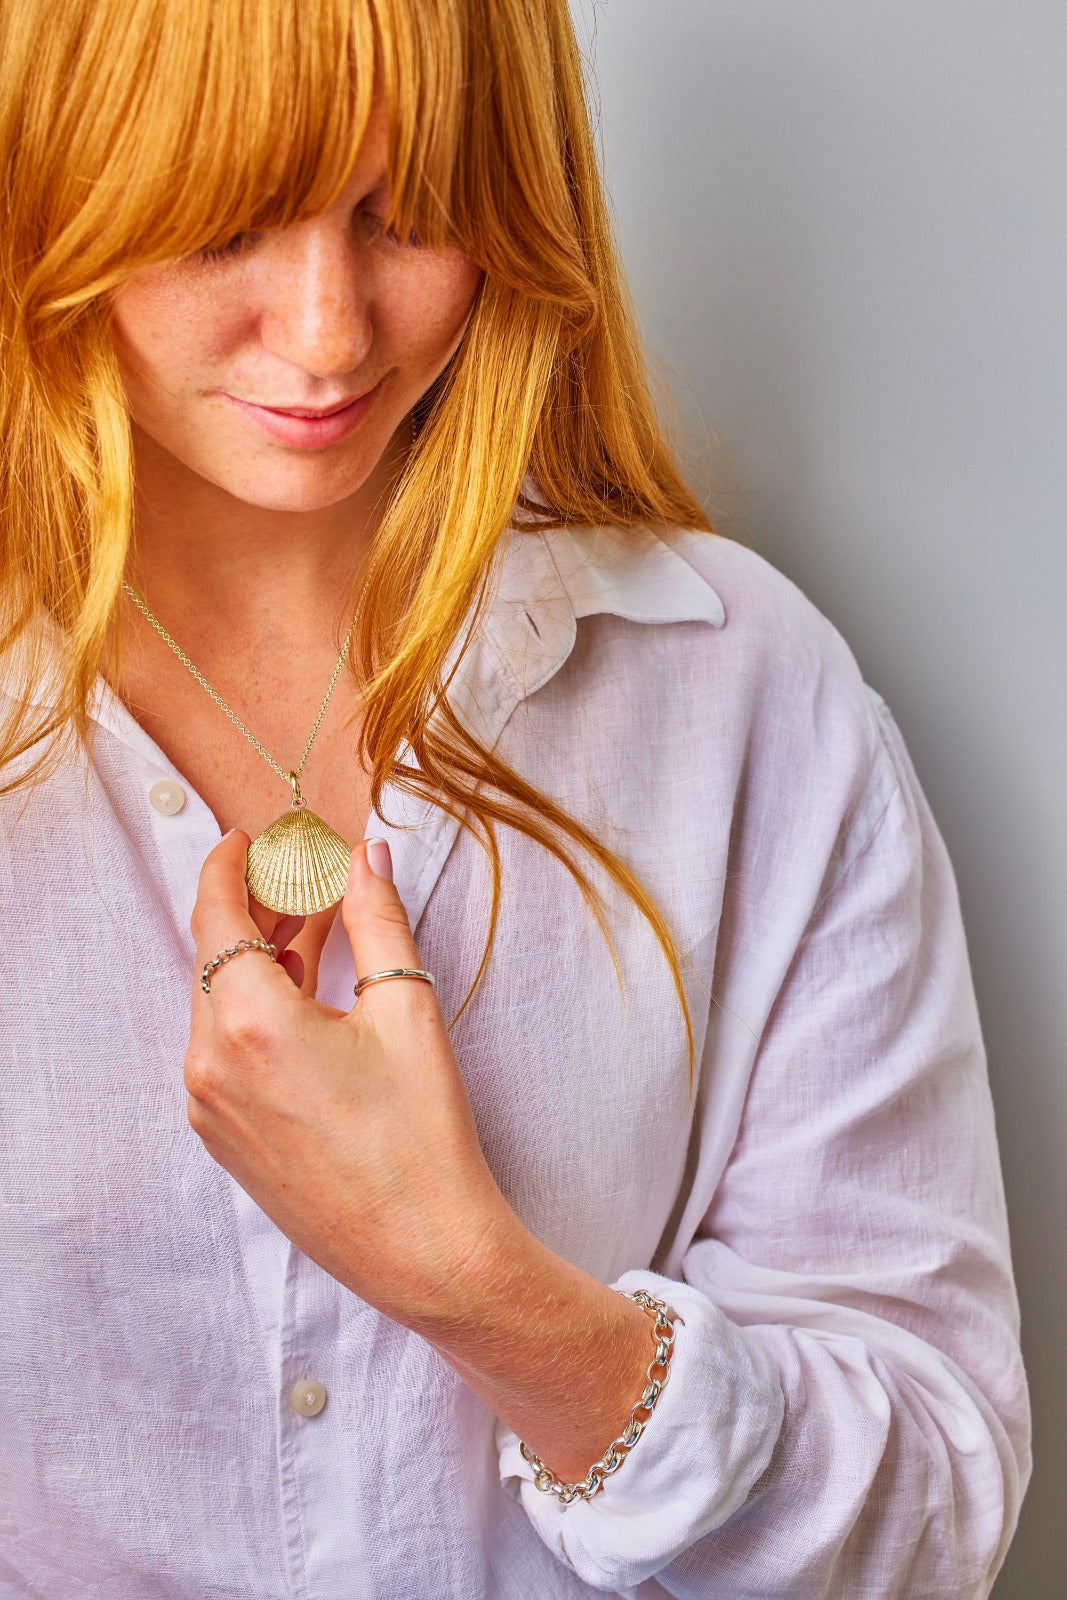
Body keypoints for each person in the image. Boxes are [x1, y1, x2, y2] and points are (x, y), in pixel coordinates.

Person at [0, 0, 1030, 1595]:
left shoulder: (733, 686)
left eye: (409, 214)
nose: (331, 332)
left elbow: (935, 1506)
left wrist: (483, 1291)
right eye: (222, 224)